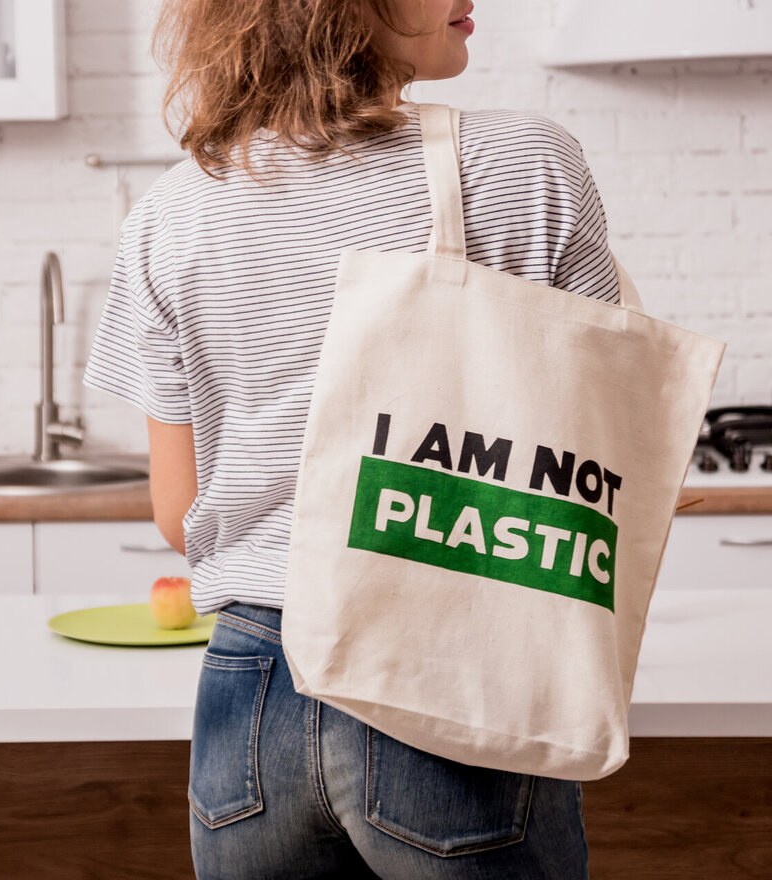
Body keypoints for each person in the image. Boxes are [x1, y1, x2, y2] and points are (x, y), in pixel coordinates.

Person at [83, 1, 619, 877]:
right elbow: (602, 439)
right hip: (446, 670)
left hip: (248, 698)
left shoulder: (169, 211)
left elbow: (180, 513)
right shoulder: (522, 161)